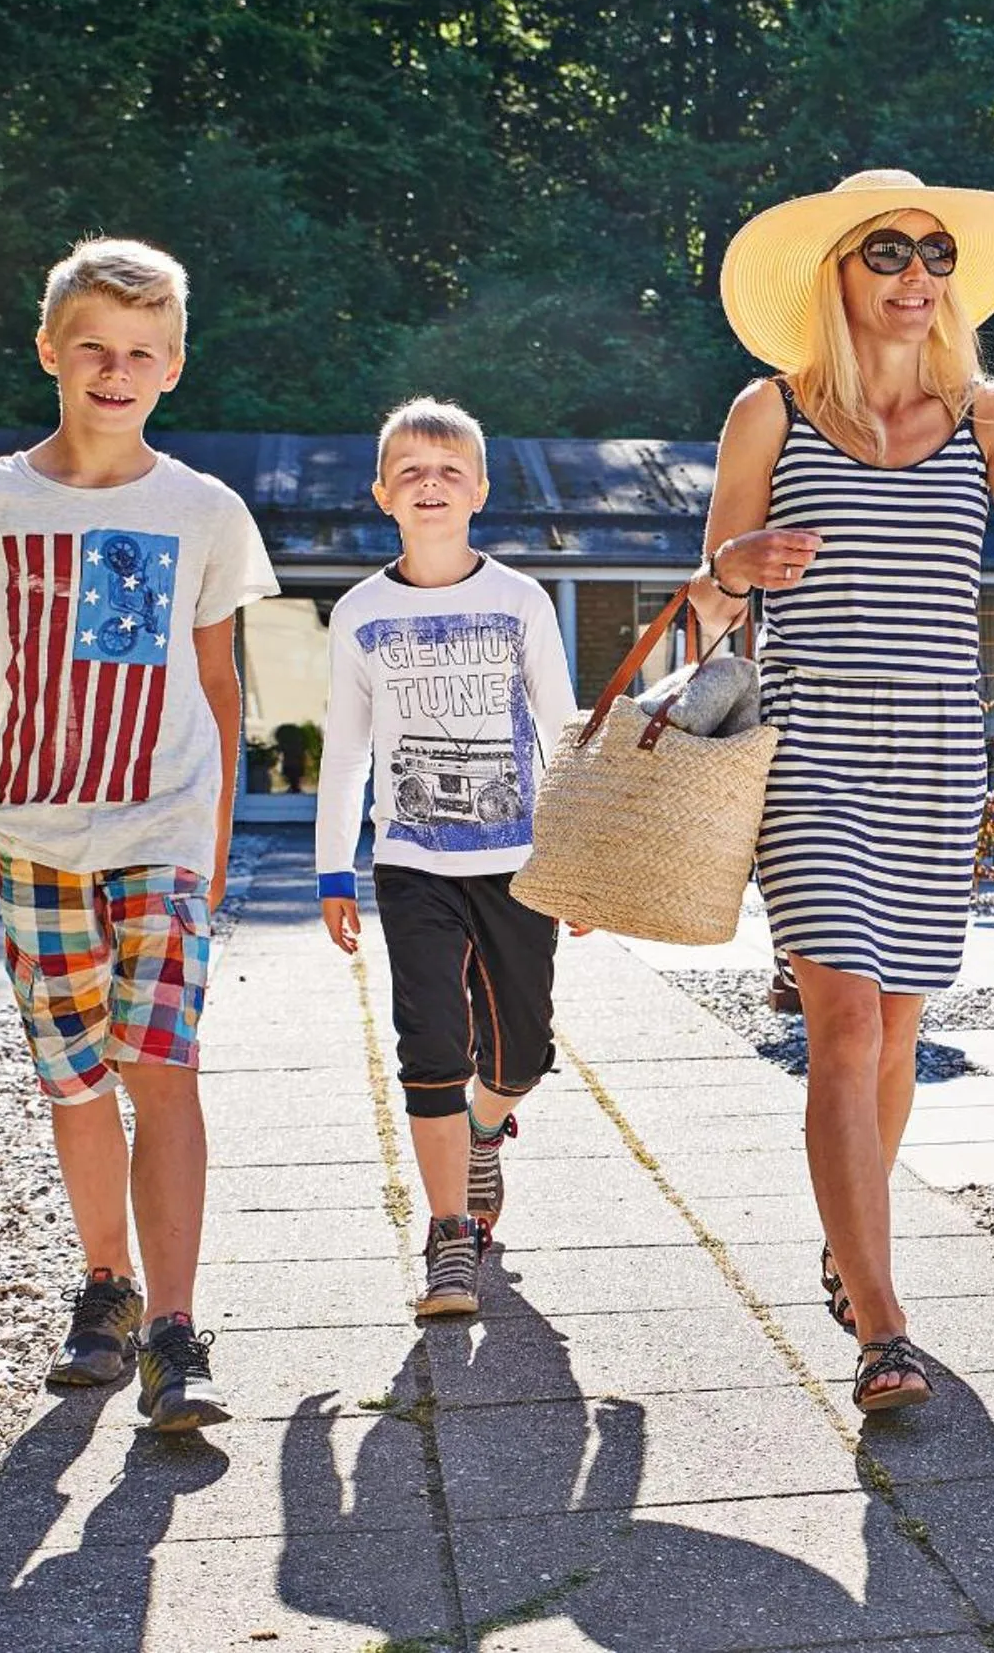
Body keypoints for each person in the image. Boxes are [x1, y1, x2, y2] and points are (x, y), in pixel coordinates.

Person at [689, 169, 994, 1413]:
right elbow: (716, 588)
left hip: (938, 745)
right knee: (839, 1016)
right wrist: (741, 560)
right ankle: (883, 1325)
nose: (917, 272)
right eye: (888, 251)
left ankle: (849, 1241)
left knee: (897, 1027)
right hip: (814, 739)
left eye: (935, 251)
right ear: (836, 271)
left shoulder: (987, 411)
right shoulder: (768, 411)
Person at [0, 238, 278, 1430]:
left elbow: (219, 682)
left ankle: (177, 1333)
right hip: (34, 833)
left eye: (141, 351)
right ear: (49, 350)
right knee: (75, 1076)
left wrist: (215, 841)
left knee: (162, 1068)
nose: (115, 368)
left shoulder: (202, 509)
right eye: (93, 345)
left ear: (174, 368)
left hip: (163, 825)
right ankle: (106, 1288)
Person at [314, 399, 578, 1316]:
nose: (431, 482)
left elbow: (561, 729)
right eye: (411, 470)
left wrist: (584, 858)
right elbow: (346, 751)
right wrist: (331, 869)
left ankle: (484, 1129)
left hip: (519, 863)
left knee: (523, 1052)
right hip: (411, 863)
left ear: (481, 491)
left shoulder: (518, 600)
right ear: (383, 493)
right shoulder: (360, 613)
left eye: (450, 468)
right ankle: (448, 1236)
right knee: (430, 1043)